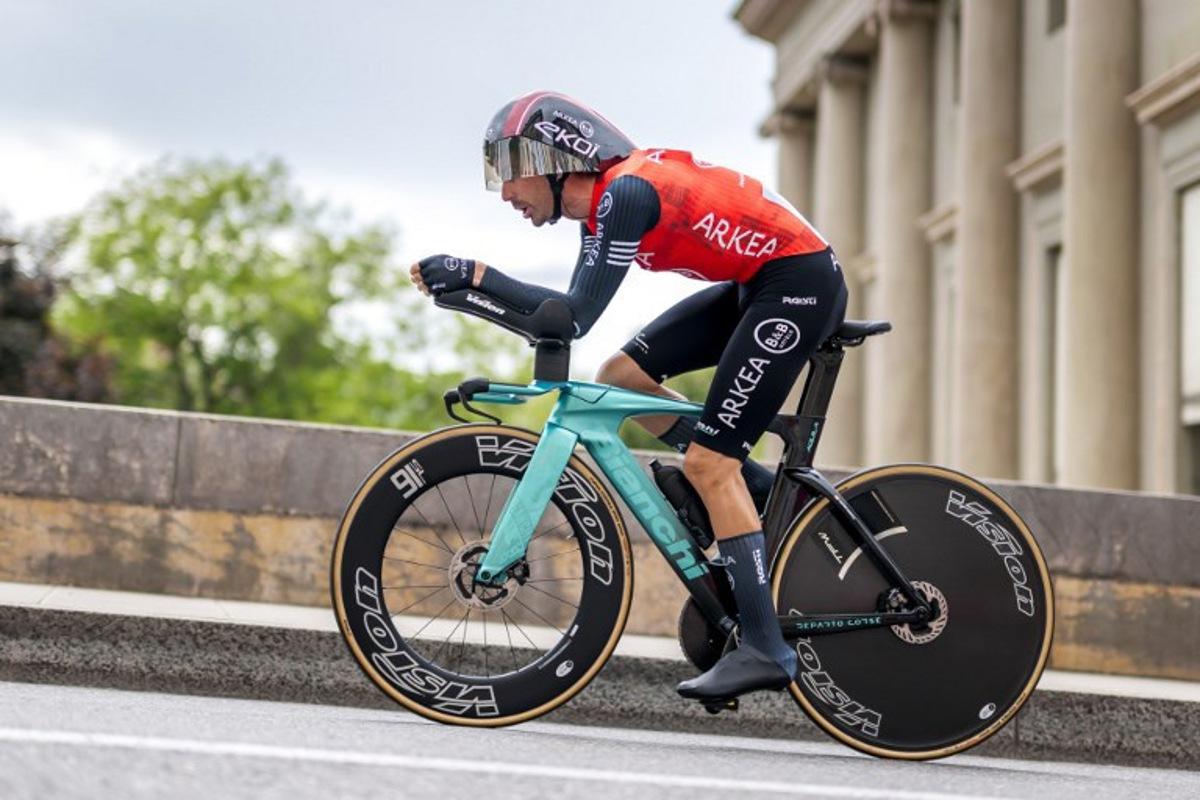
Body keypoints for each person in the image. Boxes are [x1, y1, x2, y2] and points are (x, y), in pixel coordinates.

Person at [410, 90, 848, 702]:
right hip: (760, 283)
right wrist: (467, 295)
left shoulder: (627, 193)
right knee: (619, 376)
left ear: (557, 159)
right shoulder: (602, 208)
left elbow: (572, 315)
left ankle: (764, 647)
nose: (505, 192)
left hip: (798, 284)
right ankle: (757, 489)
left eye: (511, 170)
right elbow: (559, 322)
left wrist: (480, 276)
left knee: (710, 466)